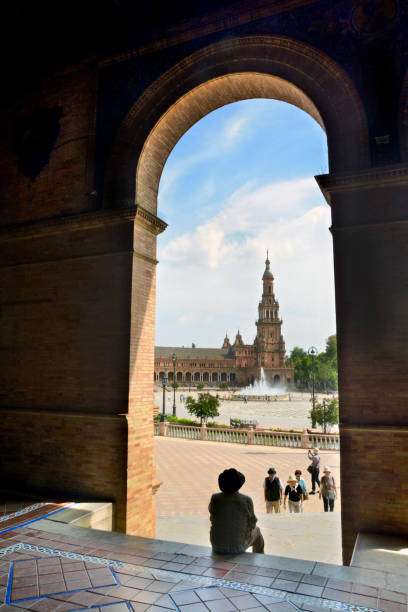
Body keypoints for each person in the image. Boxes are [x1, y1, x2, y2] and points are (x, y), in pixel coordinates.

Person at [209, 468, 264, 554]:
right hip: (237, 547)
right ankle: (260, 557)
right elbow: (252, 525)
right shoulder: (246, 500)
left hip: (216, 545)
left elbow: (212, 517)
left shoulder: (215, 498)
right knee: (257, 531)